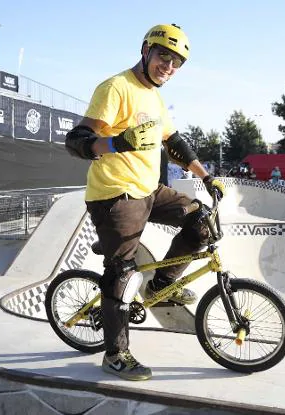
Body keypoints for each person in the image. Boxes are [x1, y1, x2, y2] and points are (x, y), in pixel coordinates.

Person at [64, 24, 225, 382]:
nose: (168, 65)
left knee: (201, 222)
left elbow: (173, 141)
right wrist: (116, 143)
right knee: (121, 272)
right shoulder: (116, 88)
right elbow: (76, 140)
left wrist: (205, 175)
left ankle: (160, 286)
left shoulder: (154, 96)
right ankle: (115, 354)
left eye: (176, 62)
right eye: (163, 56)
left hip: (150, 190)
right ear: (145, 51)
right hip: (115, 195)